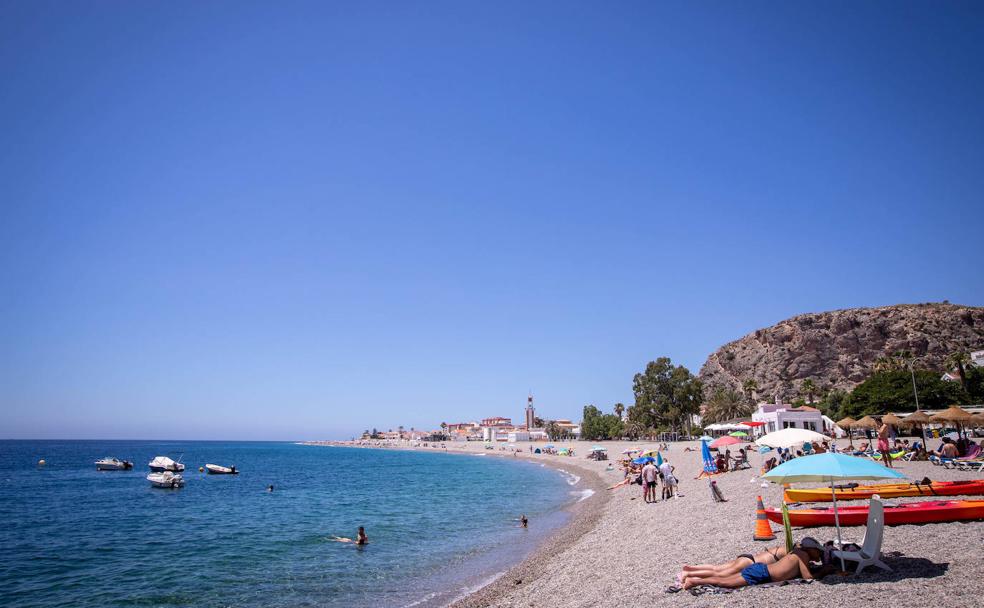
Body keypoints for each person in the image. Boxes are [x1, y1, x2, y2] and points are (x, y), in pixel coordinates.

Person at [680, 540, 825, 589]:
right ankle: (693, 581)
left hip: (758, 567)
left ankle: (691, 574)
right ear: (810, 548)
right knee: (723, 580)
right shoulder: (803, 555)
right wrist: (825, 572)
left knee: (718, 571)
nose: (819, 555)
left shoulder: (796, 552)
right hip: (760, 571)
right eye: (818, 551)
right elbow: (808, 577)